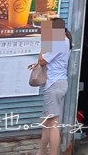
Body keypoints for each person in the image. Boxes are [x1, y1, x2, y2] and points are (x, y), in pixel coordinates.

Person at [29, 17, 72, 155]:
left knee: (53, 123)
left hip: (53, 85)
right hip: (60, 83)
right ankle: (41, 152)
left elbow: (42, 60)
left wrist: (45, 41)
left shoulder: (58, 42)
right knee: (46, 122)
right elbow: (47, 61)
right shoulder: (65, 41)